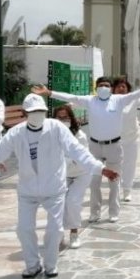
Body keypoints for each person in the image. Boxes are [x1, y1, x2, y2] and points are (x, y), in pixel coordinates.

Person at [0, 94, 116, 279]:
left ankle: (51, 265)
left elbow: (78, 151)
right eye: (33, 112)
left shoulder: (57, 128)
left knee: (55, 229)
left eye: (41, 112)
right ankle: (32, 264)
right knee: (24, 229)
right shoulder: (16, 133)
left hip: (54, 189)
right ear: (25, 113)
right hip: (28, 190)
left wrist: (99, 168)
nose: (38, 115)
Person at [31, 75, 140, 223]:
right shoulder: (91, 101)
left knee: (114, 181)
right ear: (96, 88)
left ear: (111, 88)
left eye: (107, 86)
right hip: (95, 146)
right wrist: (49, 92)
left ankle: (113, 212)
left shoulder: (119, 100)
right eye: (101, 85)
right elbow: (72, 97)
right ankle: (95, 212)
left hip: (114, 146)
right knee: (94, 182)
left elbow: (137, 94)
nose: (104, 88)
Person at [54, 105, 90, 250]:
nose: (63, 120)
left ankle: (74, 233)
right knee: (59, 204)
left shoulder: (80, 136)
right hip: (62, 175)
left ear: (71, 118)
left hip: (81, 174)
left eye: (66, 117)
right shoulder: (51, 135)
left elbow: (80, 157)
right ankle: (59, 234)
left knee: (73, 202)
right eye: (59, 118)